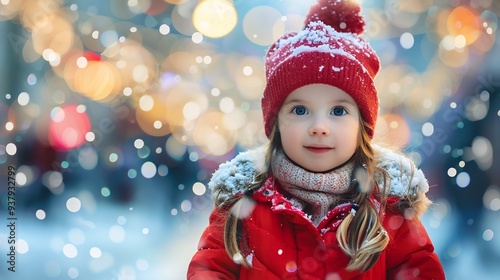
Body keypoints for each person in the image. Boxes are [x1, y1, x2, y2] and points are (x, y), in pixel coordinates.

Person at [187, 0, 445, 279]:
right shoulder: (243, 205)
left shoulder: (388, 210)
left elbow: (419, 269)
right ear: (276, 125)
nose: (319, 127)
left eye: (338, 111)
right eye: (300, 110)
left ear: (362, 126)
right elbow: (210, 269)